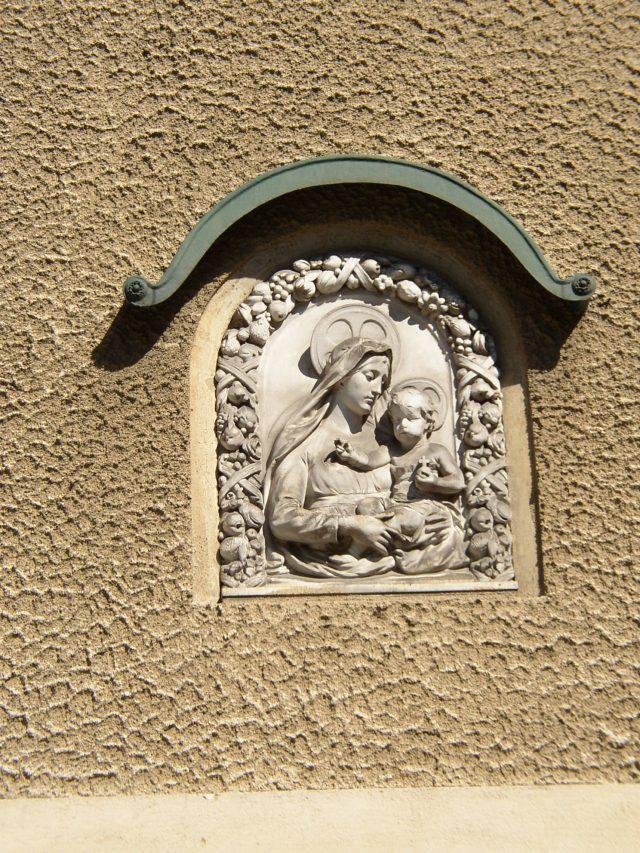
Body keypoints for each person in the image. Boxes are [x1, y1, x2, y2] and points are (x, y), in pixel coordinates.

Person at [266, 338, 396, 578]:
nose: (377, 389)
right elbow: (281, 517)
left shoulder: (384, 442)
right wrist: (347, 525)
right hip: (329, 559)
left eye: (383, 381)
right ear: (342, 376)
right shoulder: (306, 441)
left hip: (392, 555)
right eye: (370, 376)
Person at [334, 384, 467, 573]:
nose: (402, 424)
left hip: (424, 506)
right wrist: (352, 455)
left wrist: (434, 483)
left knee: (402, 518)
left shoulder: (436, 451)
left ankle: (355, 552)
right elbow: (369, 461)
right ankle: (375, 544)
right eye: (397, 420)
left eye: (411, 418)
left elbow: (458, 482)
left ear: (428, 421)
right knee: (366, 505)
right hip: (396, 503)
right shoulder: (392, 450)